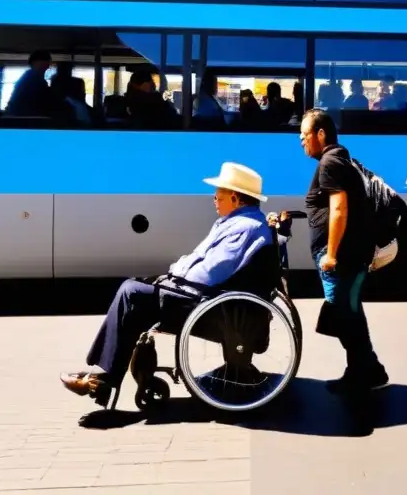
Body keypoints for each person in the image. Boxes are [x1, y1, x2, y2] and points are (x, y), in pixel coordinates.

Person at [59, 162, 275, 399]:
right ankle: (106, 376)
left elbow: (212, 271)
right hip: (204, 298)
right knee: (134, 290)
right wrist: (175, 274)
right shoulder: (237, 223)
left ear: (235, 198)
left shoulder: (244, 227)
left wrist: (175, 277)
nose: (214, 199)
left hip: (205, 305)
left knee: (130, 293)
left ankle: (105, 378)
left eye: (218, 194)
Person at [298, 107, 388, 393]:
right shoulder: (337, 159)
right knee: (349, 313)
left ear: (320, 134)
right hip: (349, 255)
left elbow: (339, 209)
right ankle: (366, 369)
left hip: (344, 257)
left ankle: (366, 372)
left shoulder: (330, 162)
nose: (301, 142)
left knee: (345, 314)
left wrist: (331, 254)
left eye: (304, 135)